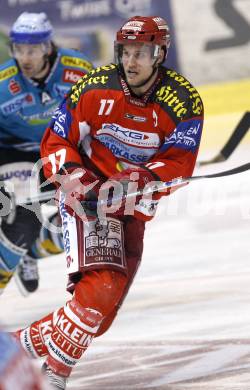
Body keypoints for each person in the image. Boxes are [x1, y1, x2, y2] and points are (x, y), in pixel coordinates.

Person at [13, 15, 204, 389]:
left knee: (98, 318)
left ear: (160, 54)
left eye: (141, 53)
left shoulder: (182, 102)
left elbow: (180, 161)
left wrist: (141, 179)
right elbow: (55, 141)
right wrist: (79, 183)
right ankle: (55, 375)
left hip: (133, 208)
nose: (131, 61)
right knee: (101, 289)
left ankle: (11, 349)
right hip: (89, 200)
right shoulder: (95, 89)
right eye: (126, 52)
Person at [0, 12, 93, 296]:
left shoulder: (78, 73)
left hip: (57, 152)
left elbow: (102, 117)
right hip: (12, 152)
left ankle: (29, 252)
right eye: (19, 50)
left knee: (91, 219)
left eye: (33, 50)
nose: (25, 58)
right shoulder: (4, 84)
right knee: (22, 219)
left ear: (48, 47)